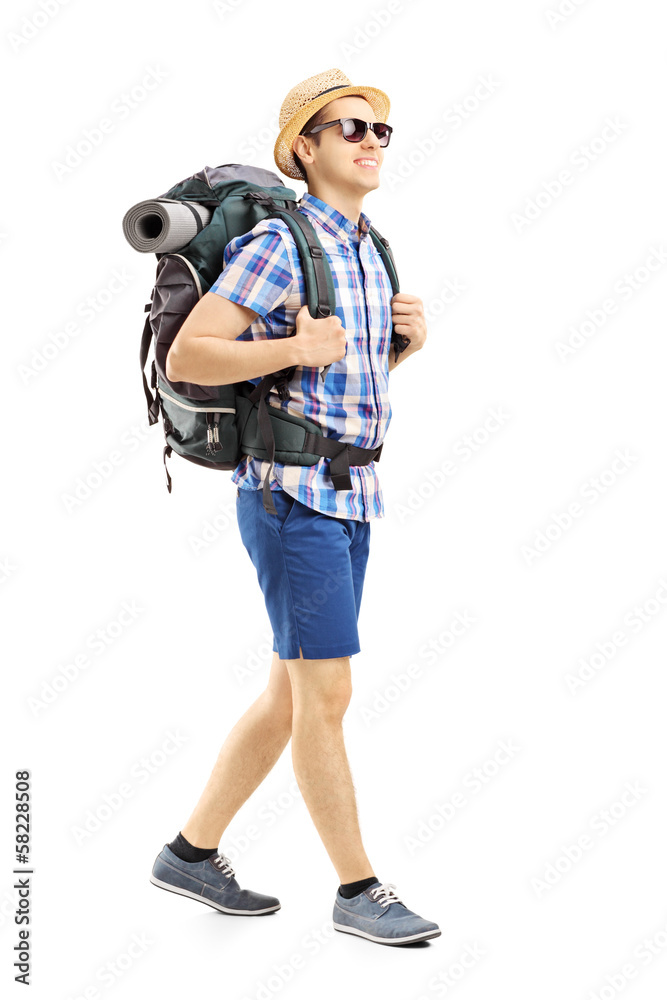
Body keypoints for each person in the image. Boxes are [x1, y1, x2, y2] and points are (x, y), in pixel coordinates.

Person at [149, 68, 439, 947]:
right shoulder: (282, 242)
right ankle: (359, 891)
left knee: (287, 695)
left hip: (351, 497)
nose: (370, 141)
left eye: (380, 131)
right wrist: (293, 344)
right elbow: (190, 359)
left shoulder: (367, 247)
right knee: (327, 694)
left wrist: (400, 352)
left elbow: (328, 386)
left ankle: (189, 856)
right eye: (349, 127)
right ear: (302, 149)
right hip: (291, 501)